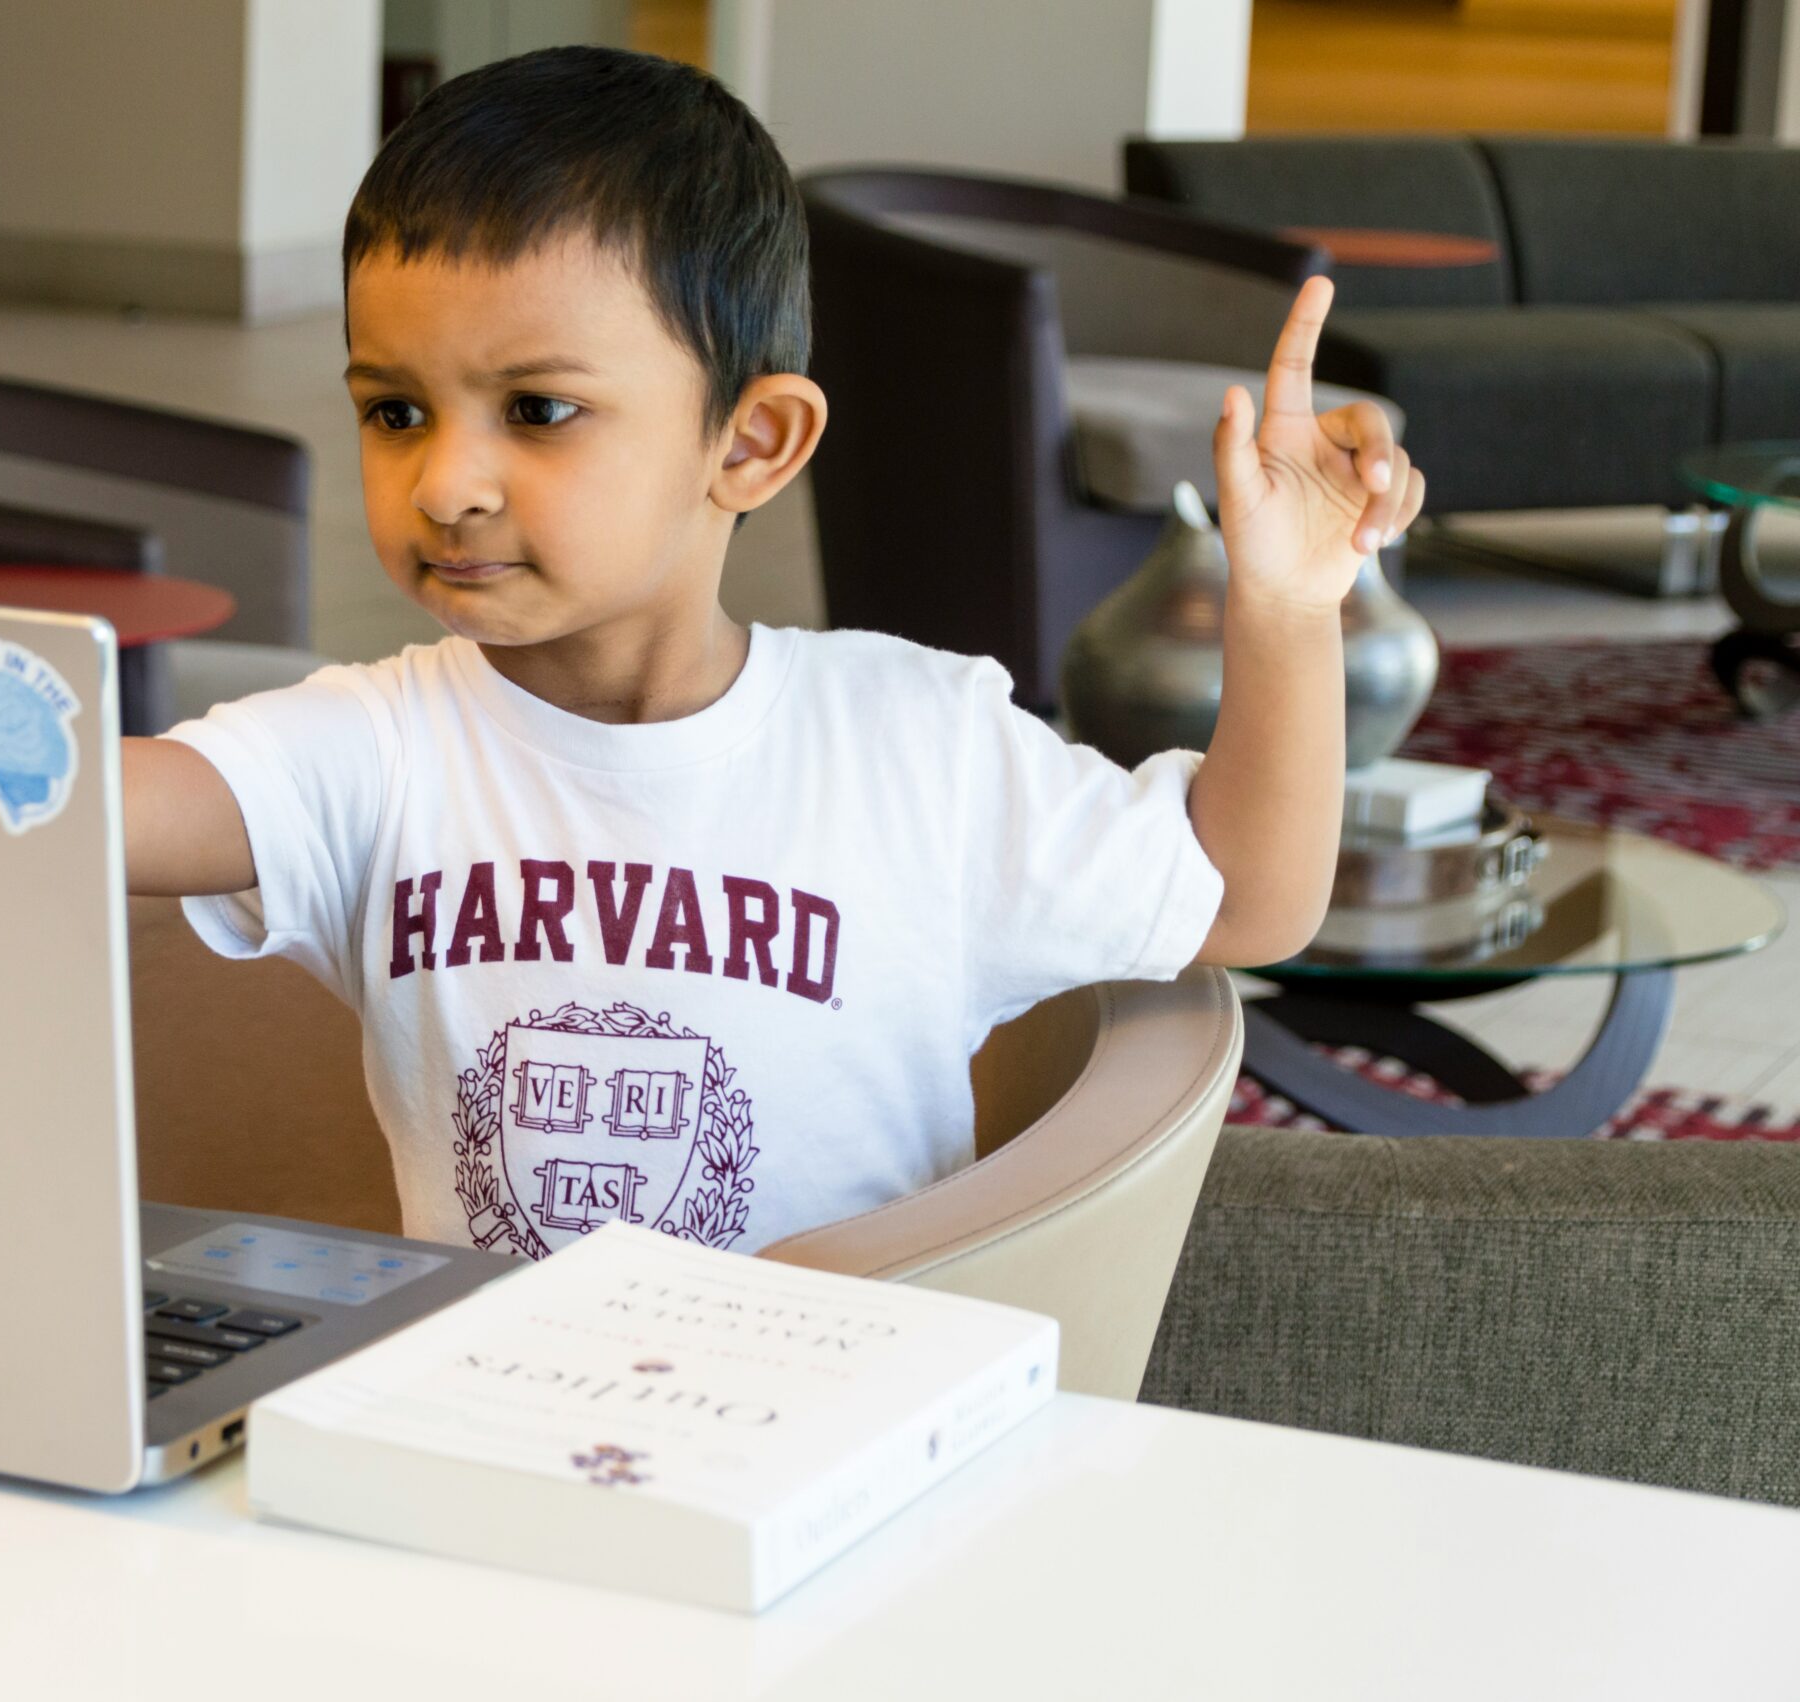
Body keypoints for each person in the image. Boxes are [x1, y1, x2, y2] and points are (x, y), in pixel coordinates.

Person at [121, 46, 1422, 1260]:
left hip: (840, 1442)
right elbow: (95, 807)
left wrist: (1291, 609)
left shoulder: (918, 743)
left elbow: (1249, 895)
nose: (446, 480)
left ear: (750, 443)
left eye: (538, 410)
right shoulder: (371, 749)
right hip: (492, 1446)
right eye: (395, 410)